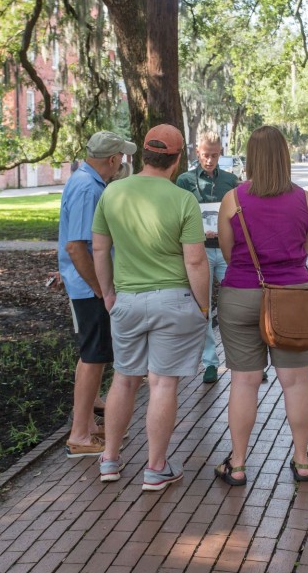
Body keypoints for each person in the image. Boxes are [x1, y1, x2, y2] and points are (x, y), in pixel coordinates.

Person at [92, 123, 210, 492]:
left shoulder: (112, 193)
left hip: (126, 299)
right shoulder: (182, 199)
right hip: (173, 300)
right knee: (161, 382)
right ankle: (155, 468)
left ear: (142, 154)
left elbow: (99, 248)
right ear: (176, 160)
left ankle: (110, 459)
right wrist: (204, 306)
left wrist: (108, 293)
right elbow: (195, 262)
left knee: (124, 379)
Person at [214, 125, 308, 485]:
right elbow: (305, 250)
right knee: (296, 381)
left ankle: (238, 464)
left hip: (242, 293)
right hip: (292, 297)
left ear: (252, 158)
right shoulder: (305, 200)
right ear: (285, 156)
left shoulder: (233, 199)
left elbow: (229, 253)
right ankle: (302, 460)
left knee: (244, 382)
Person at [58, 130, 137, 458]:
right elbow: (76, 246)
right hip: (88, 288)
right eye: (122, 156)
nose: (124, 161)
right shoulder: (88, 188)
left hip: (88, 286)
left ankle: (87, 425)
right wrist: (100, 288)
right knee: (94, 357)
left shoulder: (87, 182)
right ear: (113, 159)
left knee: (92, 355)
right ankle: (80, 435)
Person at [176, 132, 238, 383]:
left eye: (214, 155)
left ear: (220, 153)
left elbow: (239, 214)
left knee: (235, 304)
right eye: (205, 155)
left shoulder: (231, 180)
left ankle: (242, 362)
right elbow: (178, 215)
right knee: (203, 306)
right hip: (198, 250)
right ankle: (210, 362)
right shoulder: (185, 180)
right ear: (197, 153)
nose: (209, 160)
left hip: (225, 249)